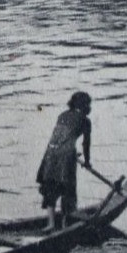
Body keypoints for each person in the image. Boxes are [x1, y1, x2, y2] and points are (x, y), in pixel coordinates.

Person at [36, 92, 93, 229]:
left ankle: (50, 224)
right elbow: (86, 143)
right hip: (66, 156)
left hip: (50, 153)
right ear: (85, 106)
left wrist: (73, 154)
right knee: (67, 188)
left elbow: (62, 137)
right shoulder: (85, 120)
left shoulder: (62, 115)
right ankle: (64, 225)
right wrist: (86, 162)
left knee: (50, 186)